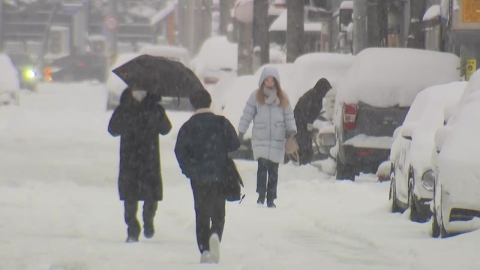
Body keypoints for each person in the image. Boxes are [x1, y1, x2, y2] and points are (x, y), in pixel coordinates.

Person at [174, 90, 240, 264]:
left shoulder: (188, 127)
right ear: (209, 103)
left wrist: (189, 170)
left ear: (193, 104)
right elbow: (235, 144)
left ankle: (204, 248)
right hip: (220, 174)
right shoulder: (221, 123)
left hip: (198, 177)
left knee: (201, 212)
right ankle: (216, 234)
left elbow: (179, 151)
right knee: (218, 211)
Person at [108, 87, 172, 243]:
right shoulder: (135, 108)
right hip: (141, 158)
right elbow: (113, 129)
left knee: (140, 195)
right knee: (139, 195)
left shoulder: (142, 108)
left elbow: (166, 128)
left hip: (138, 158)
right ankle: (139, 225)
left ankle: (141, 225)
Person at [238, 67, 296, 208]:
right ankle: (261, 195)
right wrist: (241, 131)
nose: (269, 82)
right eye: (267, 79)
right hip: (261, 137)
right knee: (262, 168)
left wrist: (291, 130)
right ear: (262, 80)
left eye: (272, 80)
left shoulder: (283, 97)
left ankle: (271, 198)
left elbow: (288, 115)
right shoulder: (255, 96)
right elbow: (247, 114)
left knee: (274, 170)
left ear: (276, 81)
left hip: (277, 138)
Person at [293, 78, 332, 165]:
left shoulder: (316, 96)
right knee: (305, 149)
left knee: (306, 148)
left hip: (302, 124)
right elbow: (305, 112)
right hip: (301, 124)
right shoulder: (312, 97)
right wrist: (308, 124)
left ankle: (305, 165)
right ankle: (304, 166)